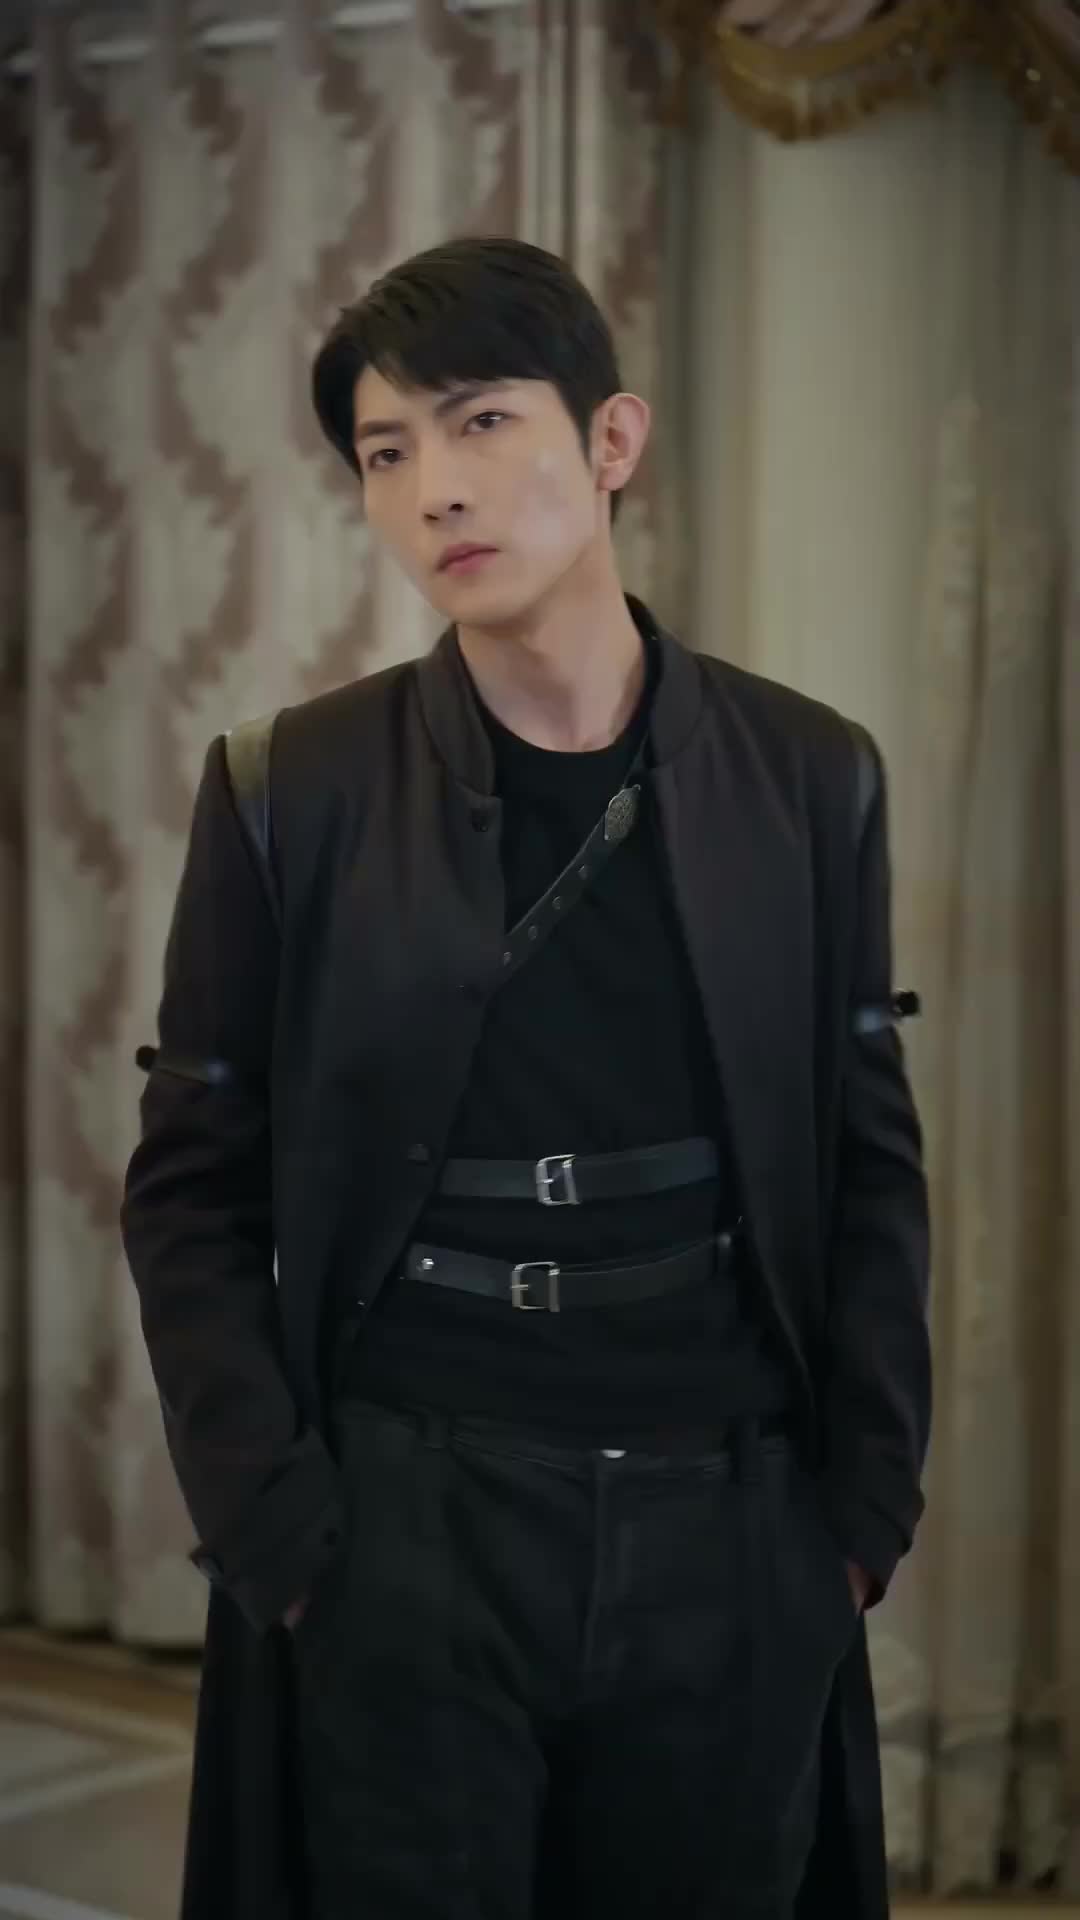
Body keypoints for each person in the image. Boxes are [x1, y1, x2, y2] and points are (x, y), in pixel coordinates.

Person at [122, 236, 931, 1920]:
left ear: (611, 438)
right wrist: (277, 1531)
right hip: (408, 1518)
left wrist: (855, 1520)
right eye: (386, 451)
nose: (434, 488)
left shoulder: (808, 777)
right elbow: (191, 1186)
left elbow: (871, 1172)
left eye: (481, 420)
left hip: (730, 1515)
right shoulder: (290, 787)